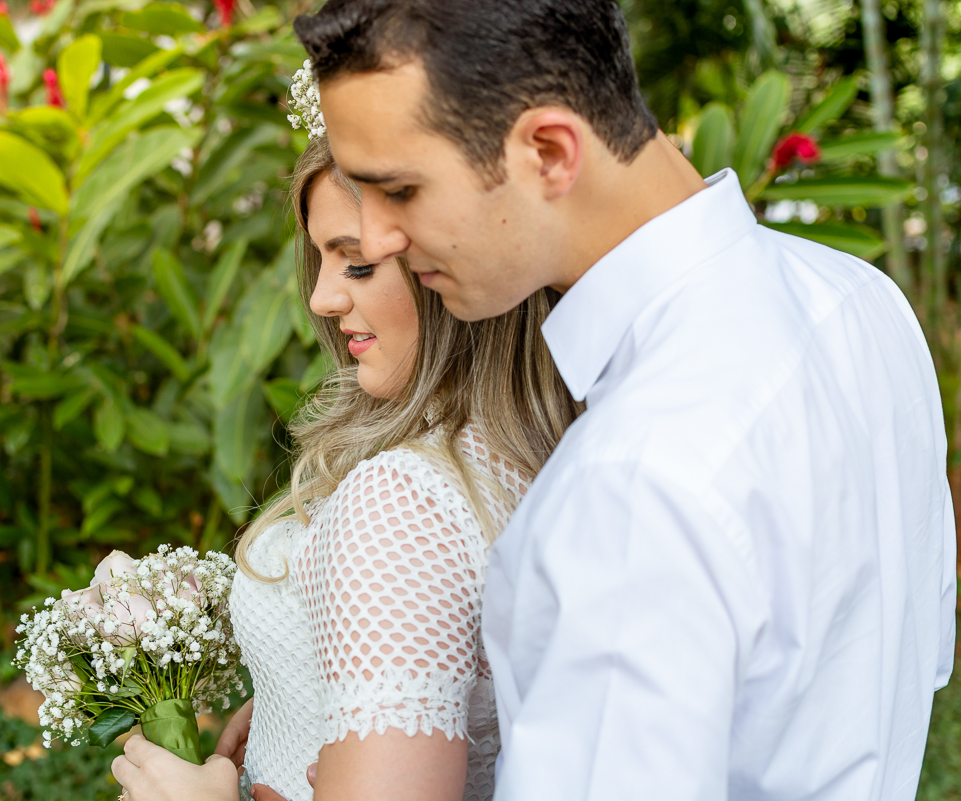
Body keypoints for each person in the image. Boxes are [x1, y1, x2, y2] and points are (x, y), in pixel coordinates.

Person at [285, 1, 957, 800]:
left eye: (399, 190)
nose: (383, 237)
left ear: (549, 151)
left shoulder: (629, 486)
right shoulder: (857, 298)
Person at [111, 133, 580, 801]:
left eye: (356, 264)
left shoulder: (403, 499)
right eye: (321, 260)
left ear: (449, 263)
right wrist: (300, 697)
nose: (321, 300)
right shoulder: (554, 455)